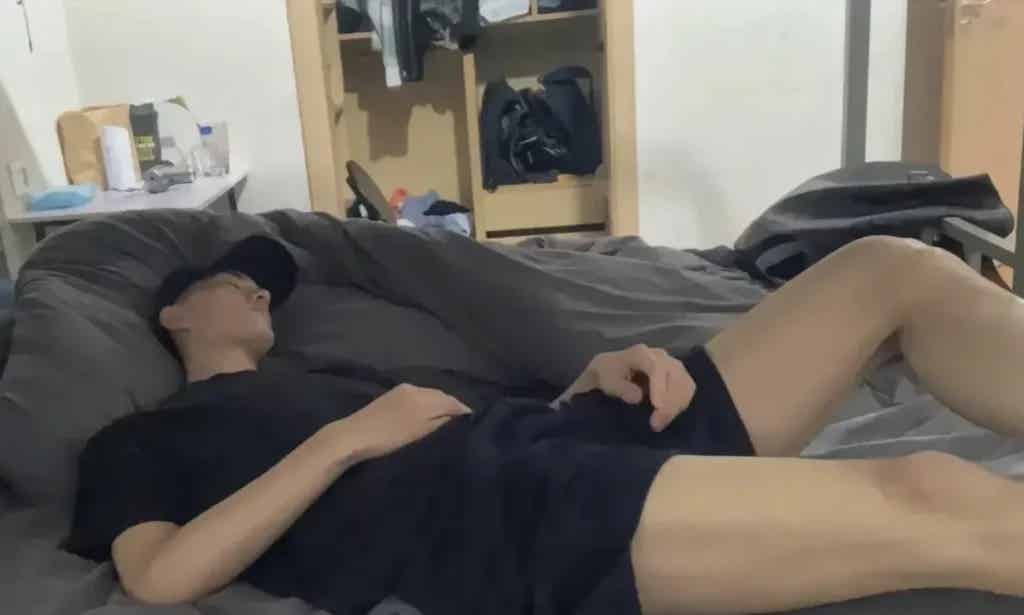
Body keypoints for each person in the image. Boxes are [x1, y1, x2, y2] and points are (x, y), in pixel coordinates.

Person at [64, 233, 1024, 615]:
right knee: (932, 492)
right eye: (231, 280)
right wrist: (349, 438)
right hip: (498, 524)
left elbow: (469, 425)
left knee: (889, 269)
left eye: (265, 285)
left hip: (562, 441)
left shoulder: (329, 373)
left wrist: (581, 387)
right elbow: (160, 575)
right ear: (172, 313)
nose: (254, 290)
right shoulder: (140, 439)